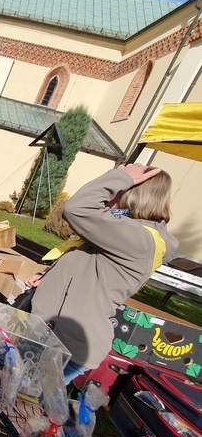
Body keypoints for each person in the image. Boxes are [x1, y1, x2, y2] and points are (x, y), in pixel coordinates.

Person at [24, 164, 178, 384]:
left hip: (62, 346)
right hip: (47, 334)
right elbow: (88, 266)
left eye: (118, 188)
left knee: (18, 406)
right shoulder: (127, 231)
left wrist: (119, 177)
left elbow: (77, 209)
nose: (108, 197)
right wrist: (48, 278)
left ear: (131, 193)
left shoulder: (140, 240)